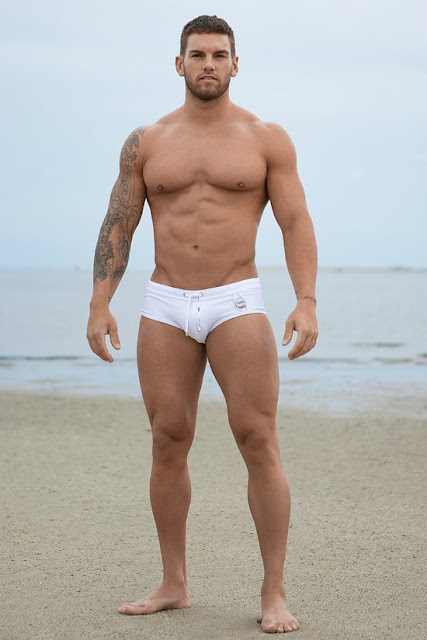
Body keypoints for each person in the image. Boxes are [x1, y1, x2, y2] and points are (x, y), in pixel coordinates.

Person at [87, 14, 318, 635]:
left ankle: (273, 591)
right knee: (168, 438)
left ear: (235, 64)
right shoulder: (147, 141)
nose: (208, 64)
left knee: (257, 438)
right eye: (198, 54)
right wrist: (100, 301)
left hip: (235, 297)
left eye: (219, 55)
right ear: (179, 63)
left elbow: (294, 221)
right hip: (165, 302)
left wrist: (306, 299)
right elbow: (120, 222)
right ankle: (174, 583)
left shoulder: (266, 138)